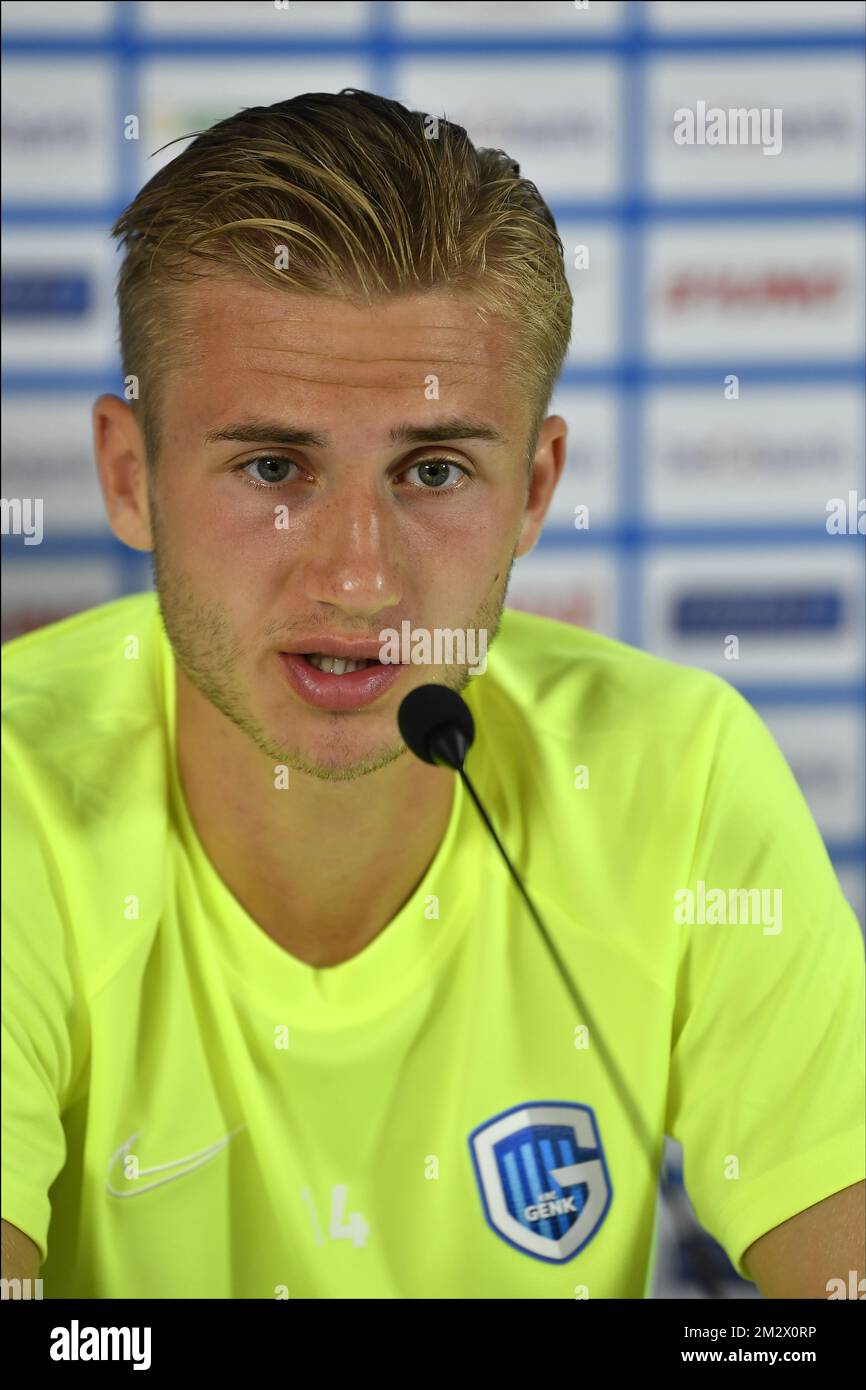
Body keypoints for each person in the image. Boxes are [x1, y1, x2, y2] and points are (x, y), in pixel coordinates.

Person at [2, 90, 863, 1300]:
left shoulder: (680, 771)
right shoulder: (11, 795)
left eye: (434, 468)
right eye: (271, 465)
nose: (358, 575)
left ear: (532, 488)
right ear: (126, 477)